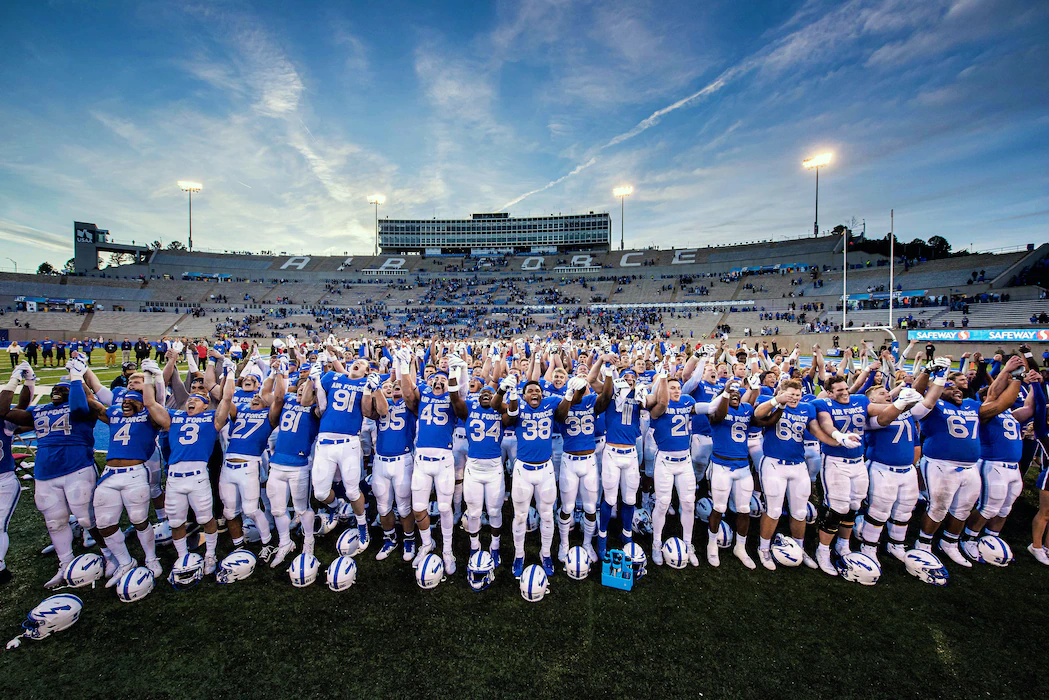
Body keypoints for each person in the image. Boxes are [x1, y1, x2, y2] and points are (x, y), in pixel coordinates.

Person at [0, 357, 103, 588]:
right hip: (46, 474)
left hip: (77, 468)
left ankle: (110, 555)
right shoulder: (40, 411)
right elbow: (6, 412)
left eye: (61, 389)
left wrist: (77, 378)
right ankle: (65, 564)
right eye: (54, 389)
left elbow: (82, 403)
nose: (56, 390)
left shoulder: (82, 409)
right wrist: (24, 382)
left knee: (88, 519)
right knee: (55, 522)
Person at [912, 356, 1022, 567]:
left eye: (959, 387)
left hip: (970, 467)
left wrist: (1016, 376)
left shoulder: (972, 406)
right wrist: (927, 372)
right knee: (938, 507)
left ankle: (950, 542)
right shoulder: (933, 406)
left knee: (963, 508)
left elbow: (1002, 403)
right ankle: (924, 543)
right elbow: (915, 395)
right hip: (940, 464)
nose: (957, 390)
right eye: (950, 386)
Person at [811, 374, 916, 575]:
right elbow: (826, 423)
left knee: (854, 505)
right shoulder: (823, 403)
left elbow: (882, 410)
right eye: (839, 390)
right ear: (830, 392)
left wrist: (902, 403)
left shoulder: (859, 400)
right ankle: (822, 550)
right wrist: (838, 436)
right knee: (837, 507)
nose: (844, 392)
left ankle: (843, 544)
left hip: (858, 461)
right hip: (835, 461)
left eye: (845, 388)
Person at [753, 379, 855, 571]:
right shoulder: (770, 400)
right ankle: (764, 548)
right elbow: (758, 414)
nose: (795, 398)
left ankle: (799, 547)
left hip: (798, 464)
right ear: (782, 392)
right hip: (774, 462)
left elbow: (816, 431)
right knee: (773, 510)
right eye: (791, 394)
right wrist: (778, 400)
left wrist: (838, 440)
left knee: (800, 511)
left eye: (798, 395)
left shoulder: (806, 408)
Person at [142, 367, 233, 578]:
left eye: (199, 399)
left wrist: (230, 373)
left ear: (206, 405)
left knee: (206, 518)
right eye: (190, 398)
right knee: (175, 522)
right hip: (174, 477)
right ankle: (182, 556)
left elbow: (227, 399)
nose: (192, 400)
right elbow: (149, 403)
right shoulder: (174, 417)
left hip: (197, 476)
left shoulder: (212, 419)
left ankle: (210, 554)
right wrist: (148, 377)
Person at [86, 383, 164, 585]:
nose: (126, 403)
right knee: (104, 522)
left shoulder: (149, 417)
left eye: (132, 401)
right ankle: (125, 561)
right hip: (110, 474)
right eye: (125, 401)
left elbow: (155, 405)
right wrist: (78, 377)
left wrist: (150, 381)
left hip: (135, 472)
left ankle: (151, 557)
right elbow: (92, 403)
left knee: (139, 518)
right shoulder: (114, 414)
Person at [399, 348, 468, 573]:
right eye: (435, 378)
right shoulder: (424, 396)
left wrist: (456, 374)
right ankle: (427, 543)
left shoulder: (452, 398)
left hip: (444, 459)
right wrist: (404, 366)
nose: (439, 381)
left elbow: (460, 401)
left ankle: (447, 550)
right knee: (419, 508)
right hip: (421, 459)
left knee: (446, 507)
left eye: (442, 379)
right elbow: (408, 393)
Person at [492, 376, 567, 579]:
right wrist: (503, 391)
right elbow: (498, 408)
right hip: (523, 469)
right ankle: (519, 554)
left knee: (547, 515)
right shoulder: (518, 406)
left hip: (545, 468)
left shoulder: (550, 403)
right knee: (520, 516)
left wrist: (570, 394)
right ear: (524, 395)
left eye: (537, 390)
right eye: (530, 391)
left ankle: (545, 554)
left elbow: (562, 414)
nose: (535, 393)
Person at [648, 373, 723, 567]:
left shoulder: (687, 402)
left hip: (685, 461)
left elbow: (712, 407)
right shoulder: (657, 406)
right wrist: (663, 379)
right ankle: (656, 543)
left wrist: (727, 391)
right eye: (672, 388)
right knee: (663, 504)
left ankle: (688, 544)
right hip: (665, 460)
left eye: (678, 388)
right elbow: (660, 408)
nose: (676, 391)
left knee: (689, 504)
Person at [555, 358, 613, 564]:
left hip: (589, 461)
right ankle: (564, 543)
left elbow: (606, 395)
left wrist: (607, 372)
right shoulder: (562, 402)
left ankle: (588, 542)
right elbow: (560, 416)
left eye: (584, 385)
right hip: (569, 461)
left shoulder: (591, 402)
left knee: (590, 508)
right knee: (567, 507)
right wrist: (571, 395)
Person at [265, 365, 322, 568]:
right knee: (278, 510)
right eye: (298, 389)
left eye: (305, 390)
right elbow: (273, 396)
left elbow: (316, 403)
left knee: (301, 508)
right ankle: (285, 542)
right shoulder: (287, 401)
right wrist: (279, 373)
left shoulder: (316, 410)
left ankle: (308, 540)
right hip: (277, 464)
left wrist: (311, 384)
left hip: (298, 465)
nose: (300, 392)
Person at [705, 380, 759, 568]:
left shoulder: (747, 410)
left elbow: (761, 420)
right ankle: (712, 544)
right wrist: (726, 393)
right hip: (721, 465)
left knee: (744, 509)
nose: (735, 395)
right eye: (731, 393)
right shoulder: (717, 411)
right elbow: (719, 415)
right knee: (719, 507)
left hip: (743, 466)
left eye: (738, 393)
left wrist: (759, 392)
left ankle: (740, 547)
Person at [462, 383, 512, 566]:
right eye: (483, 392)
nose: (485, 394)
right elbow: (455, 398)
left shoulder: (500, 412)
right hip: (473, 466)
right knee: (474, 512)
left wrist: (505, 394)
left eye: (490, 393)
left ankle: (495, 545)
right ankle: (475, 546)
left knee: (494, 510)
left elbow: (512, 416)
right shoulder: (469, 408)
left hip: (494, 467)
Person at [369, 372, 418, 562]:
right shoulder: (382, 406)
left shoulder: (410, 406)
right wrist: (376, 389)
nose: (396, 392)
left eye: (398, 389)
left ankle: (409, 539)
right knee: (382, 506)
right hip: (381, 461)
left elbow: (411, 398)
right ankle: (389, 539)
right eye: (393, 389)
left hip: (402, 460)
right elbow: (371, 411)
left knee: (404, 507)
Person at [0, 362, 35, 585]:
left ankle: (0, 567)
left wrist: (28, 382)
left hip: (2, 480)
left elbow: (21, 407)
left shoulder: (4, 422)